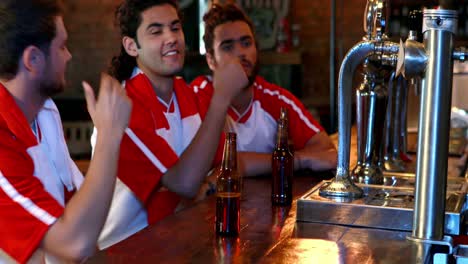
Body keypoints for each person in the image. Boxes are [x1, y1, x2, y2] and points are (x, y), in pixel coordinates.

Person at [91, 0, 248, 249]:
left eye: (175, 28)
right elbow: (183, 183)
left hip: (180, 240)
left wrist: (205, 184)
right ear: (132, 46)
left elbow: (230, 163)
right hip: (127, 250)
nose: (172, 38)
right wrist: (222, 97)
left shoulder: (184, 93)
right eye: (156, 31)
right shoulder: (123, 106)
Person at [0, 0, 132, 263]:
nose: (69, 56)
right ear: (33, 60)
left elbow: (78, 212)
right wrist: (108, 135)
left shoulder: (46, 112)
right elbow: (74, 243)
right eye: (61, 46)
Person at [191, 3, 337, 177]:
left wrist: (288, 159)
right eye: (228, 47)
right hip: (212, 203)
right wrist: (292, 160)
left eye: (246, 43)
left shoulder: (274, 98)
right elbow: (225, 162)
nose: (240, 53)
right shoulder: (196, 96)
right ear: (210, 60)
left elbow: (325, 150)